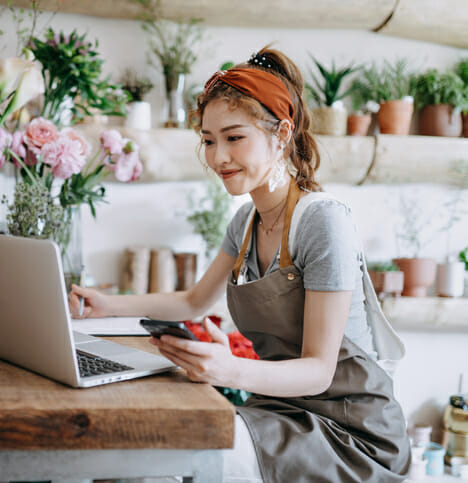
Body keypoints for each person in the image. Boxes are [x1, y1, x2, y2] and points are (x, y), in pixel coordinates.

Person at [68, 46, 411, 482]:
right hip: (278, 412)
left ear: (282, 134)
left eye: (234, 138)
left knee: (178, 456)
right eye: (209, 141)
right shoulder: (246, 221)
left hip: (349, 434)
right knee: (142, 447)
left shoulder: (322, 222)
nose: (217, 157)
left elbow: (319, 371)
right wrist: (107, 305)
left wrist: (227, 367)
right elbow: (194, 301)